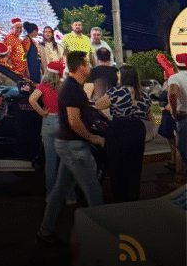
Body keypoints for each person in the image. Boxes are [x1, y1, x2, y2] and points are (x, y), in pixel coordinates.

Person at [36, 51, 105, 246]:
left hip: (67, 144)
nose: (90, 67)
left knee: (59, 191)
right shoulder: (72, 88)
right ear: (80, 67)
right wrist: (94, 138)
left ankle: (45, 231)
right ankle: (102, 238)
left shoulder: (72, 86)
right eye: (87, 64)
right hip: (74, 146)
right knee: (93, 191)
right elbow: (74, 122)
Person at [94, 66, 152, 202]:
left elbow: (98, 105)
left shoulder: (115, 92)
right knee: (135, 167)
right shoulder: (144, 95)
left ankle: (120, 200)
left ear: (123, 77)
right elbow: (152, 116)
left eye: (119, 74)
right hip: (137, 130)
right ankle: (133, 199)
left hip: (118, 129)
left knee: (117, 167)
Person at [29, 60, 77, 204]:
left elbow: (32, 99)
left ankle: (51, 196)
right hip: (63, 123)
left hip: (49, 121)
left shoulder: (43, 86)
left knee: (50, 163)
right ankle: (70, 196)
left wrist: (42, 112)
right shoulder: (65, 86)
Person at [167, 53, 187, 184]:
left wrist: (173, 112)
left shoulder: (174, 78)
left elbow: (173, 94)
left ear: (176, 64)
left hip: (182, 116)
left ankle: (181, 178)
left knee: (182, 147)